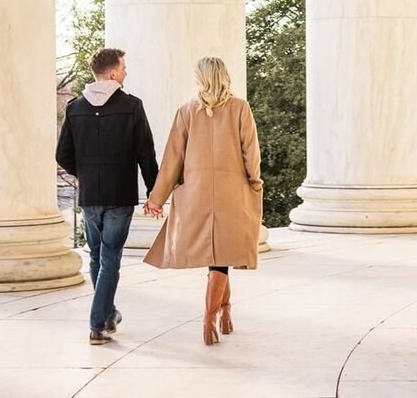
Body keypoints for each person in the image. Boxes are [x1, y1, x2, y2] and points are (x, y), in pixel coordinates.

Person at [142, 56, 263, 345]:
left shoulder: (186, 111)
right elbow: (251, 153)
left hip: (196, 195)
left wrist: (157, 197)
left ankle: (226, 312)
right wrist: (255, 184)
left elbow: (172, 159)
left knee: (219, 258)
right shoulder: (240, 108)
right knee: (221, 257)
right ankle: (209, 320)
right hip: (232, 193)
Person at [57, 46, 158, 346]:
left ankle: (108, 312)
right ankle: (98, 324)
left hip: (90, 195)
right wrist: (155, 190)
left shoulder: (75, 108)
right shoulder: (132, 106)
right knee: (110, 257)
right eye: (124, 68)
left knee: (98, 256)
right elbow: (145, 154)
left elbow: (63, 154)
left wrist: (85, 173)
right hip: (119, 194)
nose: (126, 73)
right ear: (113, 72)